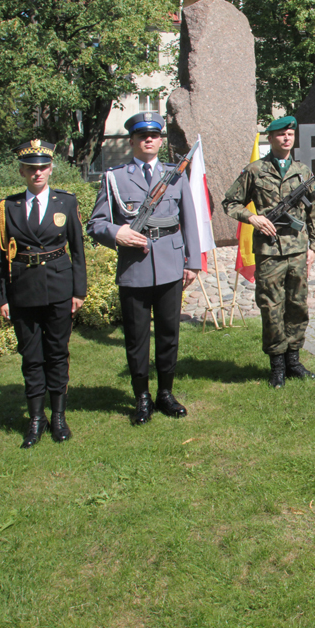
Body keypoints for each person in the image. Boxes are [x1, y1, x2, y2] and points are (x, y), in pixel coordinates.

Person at [86, 112, 200, 425]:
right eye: (142, 136)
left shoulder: (175, 175)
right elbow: (95, 223)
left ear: (160, 141)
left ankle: (165, 393)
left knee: (168, 333)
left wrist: (193, 262)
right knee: (136, 338)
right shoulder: (115, 177)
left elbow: (188, 220)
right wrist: (116, 233)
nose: (148, 140)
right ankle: (142, 398)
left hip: (171, 264)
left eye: (154, 135)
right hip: (134, 268)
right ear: (133, 140)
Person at [0, 140, 87, 448]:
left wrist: (79, 290)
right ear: (22, 171)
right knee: (32, 357)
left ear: (50, 170)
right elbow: (1, 257)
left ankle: (58, 416)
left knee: (57, 353)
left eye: (43, 167)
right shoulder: (9, 207)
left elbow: (77, 250)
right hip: (23, 291)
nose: (38, 173)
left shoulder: (66, 203)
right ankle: (36, 419)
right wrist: (2, 297)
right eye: (31, 168)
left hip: (59, 288)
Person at [222, 116, 315, 388]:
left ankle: (294, 360)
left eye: (290, 133)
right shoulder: (255, 171)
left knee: (298, 306)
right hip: (269, 253)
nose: (286, 137)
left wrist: (314, 248)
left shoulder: (303, 172)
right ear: (270, 138)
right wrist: (252, 218)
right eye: (280, 133)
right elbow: (229, 203)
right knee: (271, 307)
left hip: (298, 253)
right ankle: (277, 365)